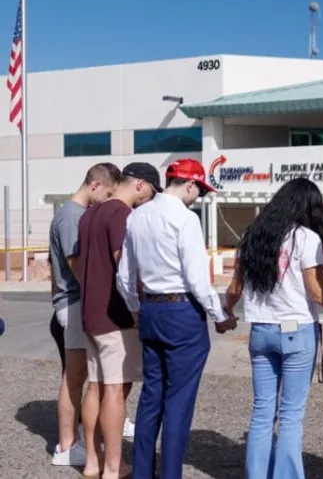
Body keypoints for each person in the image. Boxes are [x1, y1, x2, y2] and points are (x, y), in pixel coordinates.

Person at [117, 158, 237, 479]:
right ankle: (170, 473)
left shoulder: (137, 216)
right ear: (190, 184)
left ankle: (143, 472)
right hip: (182, 311)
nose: (198, 197)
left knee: (151, 395)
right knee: (179, 400)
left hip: (151, 309)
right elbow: (198, 279)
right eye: (200, 190)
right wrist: (219, 315)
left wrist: (136, 310)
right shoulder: (185, 219)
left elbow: (125, 277)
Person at [223, 178, 323, 479]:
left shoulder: (253, 235)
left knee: (262, 413)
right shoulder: (307, 239)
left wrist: (225, 311)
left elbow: (235, 287)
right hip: (297, 331)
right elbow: (317, 293)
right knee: (291, 416)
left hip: (261, 331)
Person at [78, 162, 159, 479]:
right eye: (151, 191)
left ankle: (92, 461)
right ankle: (114, 466)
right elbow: (124, 265)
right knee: (115, 390)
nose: (150, 199)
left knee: (95, 387)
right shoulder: (120, 214)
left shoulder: (90, 214)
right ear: (140, 184)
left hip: (90, 313)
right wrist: (139, 305)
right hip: (116, 315)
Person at [48, 163, 121, 467]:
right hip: (75, 303)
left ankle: (74, 440)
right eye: (107, 193)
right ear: (95, 185)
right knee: (75, 376)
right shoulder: (71, 217)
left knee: (79, 376)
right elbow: (76, 265)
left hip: (74, 303)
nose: (107, 201)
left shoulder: (73, 214)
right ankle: (67, 446)